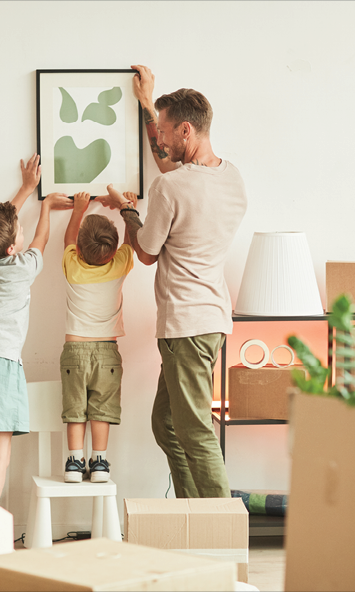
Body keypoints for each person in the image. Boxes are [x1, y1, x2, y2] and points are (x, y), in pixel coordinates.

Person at [96, 65, 247, 498]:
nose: (158, 139)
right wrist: (147, 103)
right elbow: (171, 171)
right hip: (211, 320)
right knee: (167, 424)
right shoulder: (232, 178)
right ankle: (191, 513)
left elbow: (144, 252)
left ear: (185, 130)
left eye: (163, 130)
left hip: (185, 325)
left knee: (195, 431)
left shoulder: (170, 190)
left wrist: (126, 210)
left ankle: (221, 533)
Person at [0, 154, 72, 520]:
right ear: (10, 249)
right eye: (15, 232)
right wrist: (47, 208)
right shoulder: (22, 268)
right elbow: (41, 239)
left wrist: (25, 189)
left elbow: (5, 225)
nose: (21, 230)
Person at [59, 185, 137, 483]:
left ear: (78, 250)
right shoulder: (119, 265)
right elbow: (130, 242)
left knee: (75, 409)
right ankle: (100, 463)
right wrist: (125, 207)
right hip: (107, 352)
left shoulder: (72, 267)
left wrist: (79, 210)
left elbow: (68, 239)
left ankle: (74, 463)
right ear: (113, 250)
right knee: (101, 409)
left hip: (74, 351)